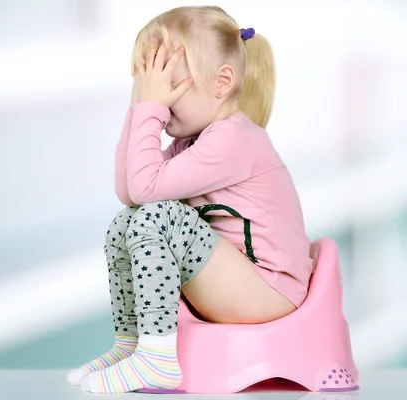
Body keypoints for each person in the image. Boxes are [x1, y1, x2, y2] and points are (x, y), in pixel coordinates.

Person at [67, 5, 313, 394]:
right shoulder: (190, 143)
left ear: (222, 82)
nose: (160, 106)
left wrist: (147, 107)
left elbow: (147, 190)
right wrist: (138, 106)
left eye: (170, 87)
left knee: (157, 216)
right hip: (235, 283)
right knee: (126, 223)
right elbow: (131, 191)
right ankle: (133, 346)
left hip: (270, 290)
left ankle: (158, 360)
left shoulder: (233, 140)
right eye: (151, 88)